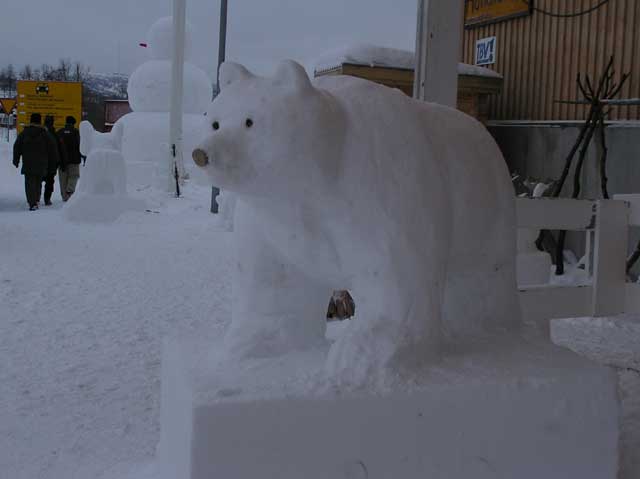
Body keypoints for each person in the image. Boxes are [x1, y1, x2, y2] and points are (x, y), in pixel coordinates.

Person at [12, 113, 59, 211]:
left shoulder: (24, 133)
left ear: (31, 121)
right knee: (38, 181)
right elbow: (52, 148)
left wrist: (16, 160)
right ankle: (36, 198)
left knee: (29, 182)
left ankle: (32, 202)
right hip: (42, 163)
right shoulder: (45, 134)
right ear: (40, 121)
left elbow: (17, 146)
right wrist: (53, 162)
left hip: (28, 162)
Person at [42, 115, 66, 205]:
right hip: (52, 162)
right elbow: (61, 149)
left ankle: (35, 197)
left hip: (41, 161)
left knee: (37, 180)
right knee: (50, 181)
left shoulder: (40, 133)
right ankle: (47, 198)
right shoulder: (55, 134)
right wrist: (62, 162)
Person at [57, 116, 82, 201]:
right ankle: (70, 190)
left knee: (63, 178)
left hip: (62, 160)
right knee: (74, 175)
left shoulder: (60, 132)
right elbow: (80, 145)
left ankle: (64, 196)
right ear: (74, 123)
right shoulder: (76, 132)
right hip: (74, 159)